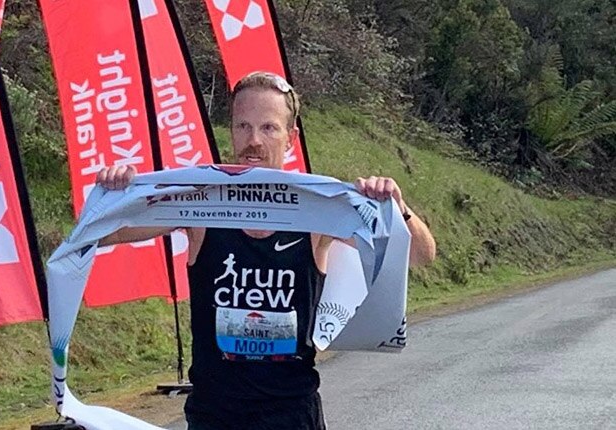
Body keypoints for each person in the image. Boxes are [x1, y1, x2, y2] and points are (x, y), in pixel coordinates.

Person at [97, 72, 436, 430]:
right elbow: (104, 235)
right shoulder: (202, 203)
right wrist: (115, 194)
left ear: (291, 139)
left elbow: (419, 255)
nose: (253, 141)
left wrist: (397, 208)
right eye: (243, 126)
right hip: (216, 415)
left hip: (290, 413)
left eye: (268, 128)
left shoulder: (316, 211)